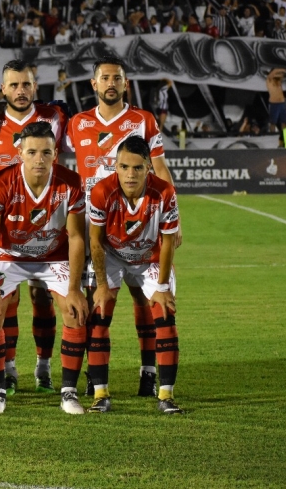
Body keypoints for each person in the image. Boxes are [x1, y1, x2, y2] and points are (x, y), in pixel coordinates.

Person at [63, 56, 180, 412]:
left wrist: (175, 219)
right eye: (105, 78)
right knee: (96, 304)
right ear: (94, 84)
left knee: (146, 301)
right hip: (94, 223)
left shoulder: (143, 120)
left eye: (117, 78)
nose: (111, 83)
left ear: (126, 84)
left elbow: (159, 166)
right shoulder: (77, 123)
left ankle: (149, 373)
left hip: (140, 219)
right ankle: (94, 380)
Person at [0, 61, 67, 396]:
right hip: (4, 230)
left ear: (35, 87)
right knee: (4, 302)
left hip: (47, 228)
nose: (20, 91)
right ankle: (9, 371)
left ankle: (43, 369)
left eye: (26, 84)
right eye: (14, 85)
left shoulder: (55, 117)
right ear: (3, 90)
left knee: (42, 298)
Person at [0, 122, 88, 415]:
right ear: (20, 154)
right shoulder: (0, 183)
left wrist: (74, 289)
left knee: (75, 311)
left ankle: (69, 392)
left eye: (46, 152)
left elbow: (77, 237)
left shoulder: (71, 183)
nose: (39, 159)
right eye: (32, 152)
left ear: (55, 155)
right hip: (10, 256)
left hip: (53, 257)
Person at [88, 136, 183, 414]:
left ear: (149, 167)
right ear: (115, 167)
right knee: (100, 314)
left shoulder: (164, 192)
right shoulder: (101, 192)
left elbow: (168, 242)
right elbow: (95, 242)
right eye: (124, 167)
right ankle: (100, 395)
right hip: (112, 256)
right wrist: (102, 285)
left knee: (165, 315)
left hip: (149, 258)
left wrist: (162, 286)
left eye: (138, 168)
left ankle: (166, 396)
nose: (130, 174)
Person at [266, 68, 286, 132]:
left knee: (284, 121)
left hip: (282, 103)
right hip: (274, 103)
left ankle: (284, 134)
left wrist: (285, 73)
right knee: (273, 122)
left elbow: (282, 75)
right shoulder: (269, 79)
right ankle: (272, 134)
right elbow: (275, 71)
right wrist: (284, 70)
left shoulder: (278, 81)